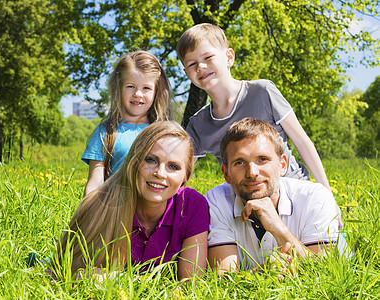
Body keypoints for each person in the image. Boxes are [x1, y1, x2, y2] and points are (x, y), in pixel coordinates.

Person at [176, 23, 331, 191]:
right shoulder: (199, 124)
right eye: (192, 64)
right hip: (248, 195)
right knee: (216, 197)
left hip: (290, 187)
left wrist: (326, 193)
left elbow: (301, 141)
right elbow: (181, 170)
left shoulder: (262, 92)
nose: (201, 67)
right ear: (186, 73)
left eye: (208, 57)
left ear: (229, 57)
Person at [56, 121, 209, 280]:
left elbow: (191, 283)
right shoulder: (101, 202)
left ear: (186, 176)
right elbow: (69, 273)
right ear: (134, 161)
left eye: (174, 167)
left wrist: (115, 278)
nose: (160, 173)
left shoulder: (193, 205)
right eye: (151, 160)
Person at [206, 118, 340, 274]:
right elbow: (222, 278)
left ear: (283, 165)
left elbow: (326, 274)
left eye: (262, 159)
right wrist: (262, 273)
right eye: (240, 163)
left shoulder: (315, 197)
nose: (252, 172)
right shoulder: (217, 200)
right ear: (226, 173)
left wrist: (278, 228)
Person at [82, 50, 172, 196]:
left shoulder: (163, 133)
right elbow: (94, 183)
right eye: (131, 86)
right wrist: (88, 214)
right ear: (119, 88)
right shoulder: (106, 132)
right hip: (115, 210)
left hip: (153, 213)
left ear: (157, 92)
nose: (138, 94)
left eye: (146, 88)